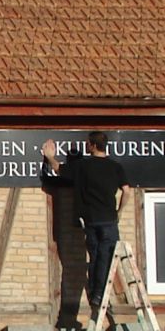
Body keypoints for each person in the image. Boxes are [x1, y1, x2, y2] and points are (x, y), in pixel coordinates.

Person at [41, 132, 129, 319]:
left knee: (96, 257)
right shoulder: (116, 167)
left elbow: (58, 169)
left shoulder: (82, 166)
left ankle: (96, 294)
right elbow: (126, 191)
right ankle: (98, 294)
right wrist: (119, 211)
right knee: (106, 257)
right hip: (109, 219)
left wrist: (49, 156)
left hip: (90, 220)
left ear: (93, 145)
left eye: (88, 144)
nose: (87, 146)